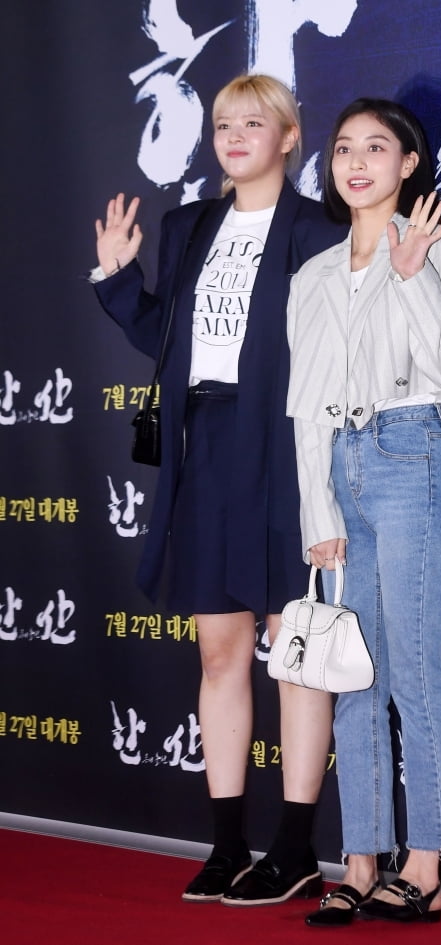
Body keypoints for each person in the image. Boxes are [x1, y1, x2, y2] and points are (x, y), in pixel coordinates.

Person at [91, 74, 346, 907]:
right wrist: (119, 280)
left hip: (286, 448)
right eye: (223, 124)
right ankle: (227, 842)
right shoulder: (188, 225)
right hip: (204, 447)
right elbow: (171, 340)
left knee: (293, 650)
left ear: (289, 138)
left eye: (253, 123)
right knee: (220, 652)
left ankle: (297, 846)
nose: (234, 136)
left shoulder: (319, 229)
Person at [286, 98, 441, 926]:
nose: (357, 161)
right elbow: (306, 406)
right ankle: (361, 860)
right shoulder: (312, 276)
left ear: (409, 164)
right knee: (352, 675)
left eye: (377, 147)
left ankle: (427, 862)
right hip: (342, 469)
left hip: (412, 456)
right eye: (343, 148)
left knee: (413, 673)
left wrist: (411, 277)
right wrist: (316, 509)